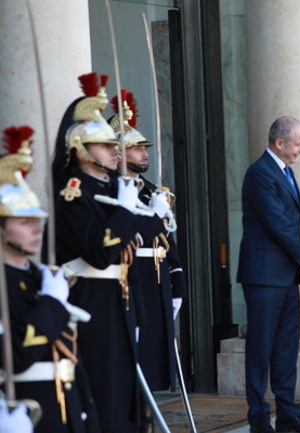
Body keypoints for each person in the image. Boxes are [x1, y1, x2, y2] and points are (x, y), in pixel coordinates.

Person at [51, 73, 146, 432]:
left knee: (124, 391)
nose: (114, 151)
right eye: (105, 145)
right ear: (81, 150)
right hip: (90, 301)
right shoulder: (73, 194)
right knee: (104, 391)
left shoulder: (105, 188)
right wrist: (124, 211)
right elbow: (101, 252)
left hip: (118, 300)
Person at [0, 125, 100, 432]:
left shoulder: (39, 276)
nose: (37, 229)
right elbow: (12, 355)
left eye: (39, 220)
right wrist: (53, 304)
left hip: (66, 406)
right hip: (26, 407)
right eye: (24, 221)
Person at [236, 116, 300, 433]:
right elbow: (277, 223)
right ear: (279, 143)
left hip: (284, 276)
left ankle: (288, 414)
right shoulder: (260, 173)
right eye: (298, 143)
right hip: (262, 277)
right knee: (261, 349)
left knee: (286, 348)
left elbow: (289, 224)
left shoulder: (284, 172)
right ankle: (259, 419)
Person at [109, 90, 187, 431]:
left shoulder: (149, 187)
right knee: (132, 364)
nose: (144, 153)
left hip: (156, 279)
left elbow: (166, 238)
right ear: (119, 152)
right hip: (133, 279)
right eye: (138, 148)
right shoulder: (115, 187)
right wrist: (154, 219)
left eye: (144, 148)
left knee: (154, 362)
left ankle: (145, 418)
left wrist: (178, 277)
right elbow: (132, 231)